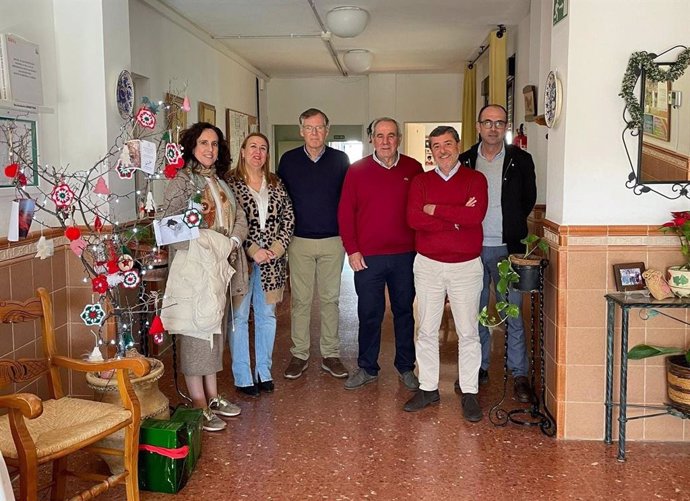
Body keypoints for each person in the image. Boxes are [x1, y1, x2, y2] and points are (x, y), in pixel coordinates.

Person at [162, 122, 248, 432]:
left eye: (214, 143)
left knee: (215, 331)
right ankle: (198, 403)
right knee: (195, 329)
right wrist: (205, 242)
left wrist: (233, 242)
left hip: (220, 265)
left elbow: (239, 218)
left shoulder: (221, 182)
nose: (209, 149)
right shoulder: (182, 181)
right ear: (191, 146)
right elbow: (165, 224)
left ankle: (213, 395)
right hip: (194, 268)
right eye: (203, 143)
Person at [405, 125, 488, 422]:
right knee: (426, 329)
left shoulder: (475, 179)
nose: (442, 150)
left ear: (458, 145)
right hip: (428, 264)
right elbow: (414, 219)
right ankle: (428, 388)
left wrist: (435, 209)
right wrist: (455, 218)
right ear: (431, 149)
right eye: (436, 145)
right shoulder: (420, 182)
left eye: (447, 144)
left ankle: (469, 391)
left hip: (466, 266)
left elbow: (475, 216)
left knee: (468, 332)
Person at [458, 104, 537, 403]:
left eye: (499, 123)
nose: (493, 128)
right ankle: (478, 368)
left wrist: (511, 224)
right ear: (478, 126)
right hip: (472, 250)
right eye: (487, 122)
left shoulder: (521, 160)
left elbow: (528, 199)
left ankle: (519, 374)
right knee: (474, 313)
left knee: (512, 313)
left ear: (505, 127)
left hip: (508, 249)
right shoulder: (464, 160)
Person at [337, 117, 422, 390]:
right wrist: (352, 249)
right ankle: (367, 367)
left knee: (404, 313)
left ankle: (406, 367)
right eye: (380, 136)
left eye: (391, 136)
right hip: (368, 258)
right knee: (369, 312)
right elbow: (345, 213)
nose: (385, 141)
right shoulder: (357, 171)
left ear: (399, 139)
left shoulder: (414, 168)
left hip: (405, 256)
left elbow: (421, 209)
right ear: (371, 139)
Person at [277, 108, 350, 380]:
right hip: (299, 241)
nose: (315, 133)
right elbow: (280, 200)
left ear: (327, 130)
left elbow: (349, 201)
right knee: (301, 301)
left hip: (333, 240)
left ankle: (330, 354)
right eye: (309, 128)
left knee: (330, 300)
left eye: (319, 128)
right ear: (301, 131)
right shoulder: (289, 160)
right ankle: (299, 354)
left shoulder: (341, 160)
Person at [227, 133, 295, 397]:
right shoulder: (229, 184)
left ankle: (263, 372)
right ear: (242, 151)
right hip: (241, 261)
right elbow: (230, 221)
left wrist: (277, 248)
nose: (258, 152)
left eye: (263, 148)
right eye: (252, 147)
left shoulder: (276, 183)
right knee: (240, 317)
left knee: (266, 316)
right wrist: (253, 249)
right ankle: (243, 375)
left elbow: (288, 217)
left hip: (272, 263)